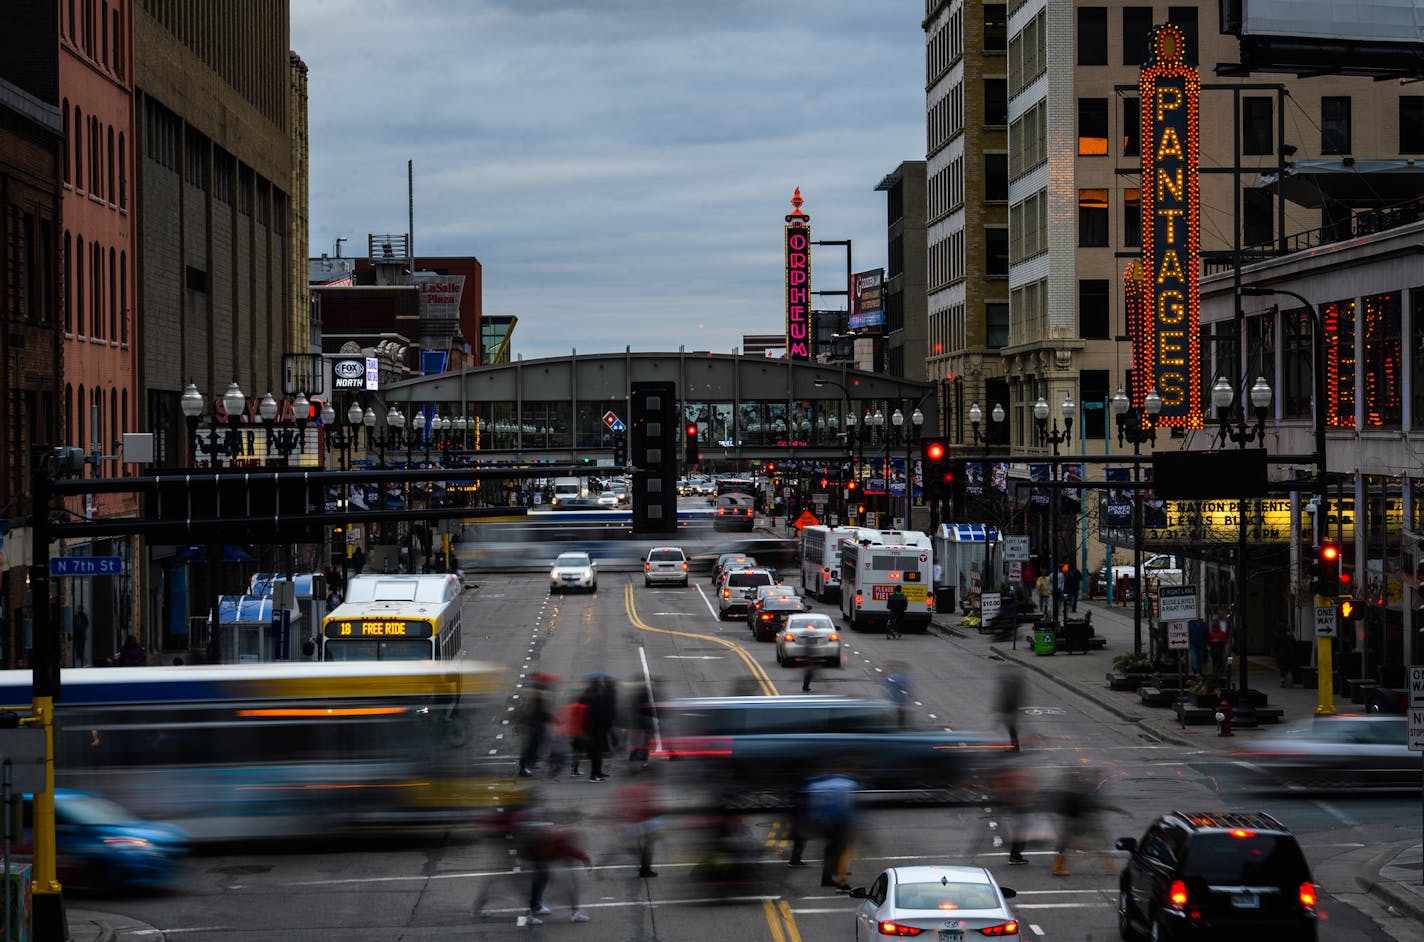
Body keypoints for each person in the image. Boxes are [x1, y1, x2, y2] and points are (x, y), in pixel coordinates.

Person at [518, 821, 593, 925]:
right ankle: (531, 913)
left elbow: (566, 851)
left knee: (543, 880)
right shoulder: (552, 841)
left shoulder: (555, 840)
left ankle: (537, 908)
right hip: (535, 857)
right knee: (540, 882)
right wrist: (583, 858)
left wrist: (583, 858)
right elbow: (564, 851)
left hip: (537, 857)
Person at [805, 770, 859, 891]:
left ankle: (827, 877)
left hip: (825, 824)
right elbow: (846, 806)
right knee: (843, 852)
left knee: (829, 851)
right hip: (840, 824)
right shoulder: (846, 784)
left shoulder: (816, 785)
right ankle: (842, 883)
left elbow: (814, 809)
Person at [517, 674, 555, 778]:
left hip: (534, 726)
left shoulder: (537, 698)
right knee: (530, 747)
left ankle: (529, 764)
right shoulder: (537, 699)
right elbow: (538, 714)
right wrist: (550, 718)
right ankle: (524, 767)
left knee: (534, 746)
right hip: (533, 727)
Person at [995, 672, 1025, 751]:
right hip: (1010, 710)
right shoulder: (1011, 682)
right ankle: (1015, 747)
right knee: (1011, 729)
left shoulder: (1014, 683)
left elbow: (1013, 698)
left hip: (1011, 710)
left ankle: (1015, 748)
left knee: (1012, 729)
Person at [1273, 622, 1297, 688]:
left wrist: (1276, 653)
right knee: (1289, 668)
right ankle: (1290, 681)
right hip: (1289, 654)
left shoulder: (1277, 636)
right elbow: (1295, 643)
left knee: (1282, 669)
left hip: (1280, 655)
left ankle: (1282, 681)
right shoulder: (1289, 636)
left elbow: (1275, 647)